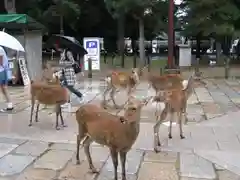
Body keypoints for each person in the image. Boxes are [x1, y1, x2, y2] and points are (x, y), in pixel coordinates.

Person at [0, 46, 13, 112]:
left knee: (4, 88)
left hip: (1, 71)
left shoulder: (0, 49)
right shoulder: (1, 48)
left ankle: (10, 105)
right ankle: (10, 105)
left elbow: (1, 62)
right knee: (4, 89)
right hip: (3, 71)